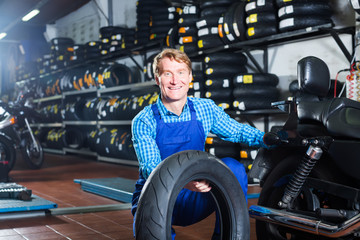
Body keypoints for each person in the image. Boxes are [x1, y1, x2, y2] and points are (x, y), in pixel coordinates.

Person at [131, 48, 269, 239]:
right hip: (157, 195)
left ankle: (226, 236)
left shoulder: (205, 108)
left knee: (233, 169)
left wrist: (266, 138)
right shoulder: (144, 120)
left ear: (190, 78)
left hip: (195, 191)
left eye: (181, 73)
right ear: (157, 79)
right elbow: (151, 169)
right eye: (167, 74)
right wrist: (187, 181)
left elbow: (237, 131)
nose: (174, 80)